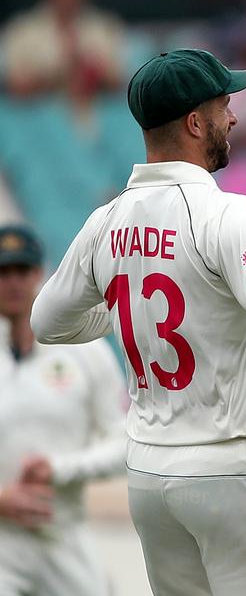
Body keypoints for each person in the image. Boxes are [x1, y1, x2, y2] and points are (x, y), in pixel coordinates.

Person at [29, 48, 246, 595]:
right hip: (231, 465)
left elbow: (47, 320)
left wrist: (129, 310)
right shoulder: (225, 212)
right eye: (223, 105)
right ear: (195, 123)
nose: (234, 117)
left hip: (149, 474)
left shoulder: (107, 220)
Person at [0, 224, 127, 595]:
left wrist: (59, 469)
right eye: (3, 272)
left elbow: (125, 444)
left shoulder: (85, 350)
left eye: (21, 270)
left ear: (39, 274)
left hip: (65, 533)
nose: (13, 283)